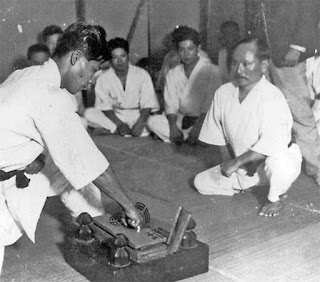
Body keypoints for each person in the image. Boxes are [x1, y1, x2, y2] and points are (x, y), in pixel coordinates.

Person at [0, 22, 142, 274]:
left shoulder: (27, 75)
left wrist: (32, 156)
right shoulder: (48, 94)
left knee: (70, 177)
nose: (92, 79)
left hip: (12, 170)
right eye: (94, 68)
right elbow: (91, 164)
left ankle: (101, 233)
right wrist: (129, 207)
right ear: (76, 58)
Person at [194, 37, 302, 217]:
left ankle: (276, 196)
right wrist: (232, 165)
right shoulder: (224, 92)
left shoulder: (272, 97)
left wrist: (236, 163)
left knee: (280, 164)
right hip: (244, 166)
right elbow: (218, 137)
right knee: (200, 182)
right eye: (235, 63)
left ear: (264, 65)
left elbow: (272, 145)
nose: (239, 70)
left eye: (246, 64)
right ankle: (252, 184)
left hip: (271, 162)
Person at [147, 26, 222, 144]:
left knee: (214, 130)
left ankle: (184, 137)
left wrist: (197, 128)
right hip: (181, 119)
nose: (186, 54)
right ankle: (184, 136)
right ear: (178, 51)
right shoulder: (173, 73)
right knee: (152, 121)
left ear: (198, 48)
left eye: (190, 49)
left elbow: (209, 105)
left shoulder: (213, 71)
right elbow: (171, 103)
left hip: (204, 120)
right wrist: (172, 127)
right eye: (182, 50)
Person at [84, 37, 159, 137]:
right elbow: (104, 106)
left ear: (128, 56)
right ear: (110, 60)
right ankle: (118, 130)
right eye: (115, 57)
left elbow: (148, 102)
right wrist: (119, 124)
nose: (120, 60)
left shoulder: (142, 74)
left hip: (138, 115)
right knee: (89, 113)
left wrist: (141, 122)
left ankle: (112, 131)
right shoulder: (103, 78)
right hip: (116, 116)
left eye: (122, 56)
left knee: (154, 122)